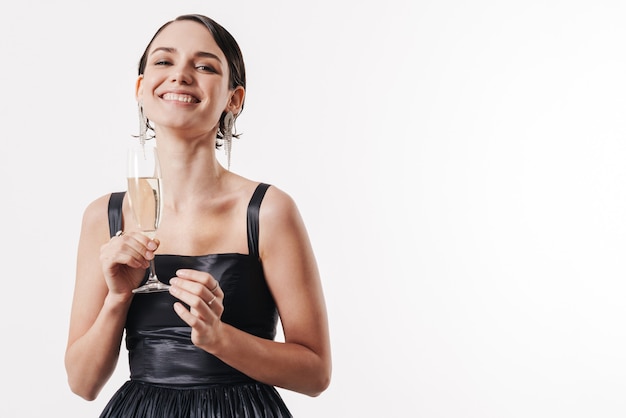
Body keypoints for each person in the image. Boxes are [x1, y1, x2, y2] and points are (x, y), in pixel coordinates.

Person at [64, 14, 331, 417]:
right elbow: (82, 384)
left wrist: (219, 338)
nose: (181, 75)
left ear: (233, 99)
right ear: (140, 89)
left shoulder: (268, 211)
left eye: (204, 66)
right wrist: (118, 297)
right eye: (163, 61)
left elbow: (316, 374)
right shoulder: (104, 216)